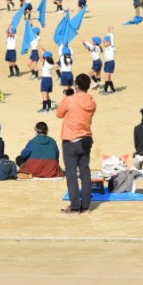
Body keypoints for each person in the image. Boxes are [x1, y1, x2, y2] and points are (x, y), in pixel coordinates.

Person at [55, 73, 97, 214]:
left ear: (77, 86)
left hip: (71, 139)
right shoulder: (92, 101)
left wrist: (67, 97)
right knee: (85, 172)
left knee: (72, 174)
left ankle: (74, 206)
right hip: (86, 138)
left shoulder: (69, 100)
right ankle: (85, 206)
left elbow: (59, 114)